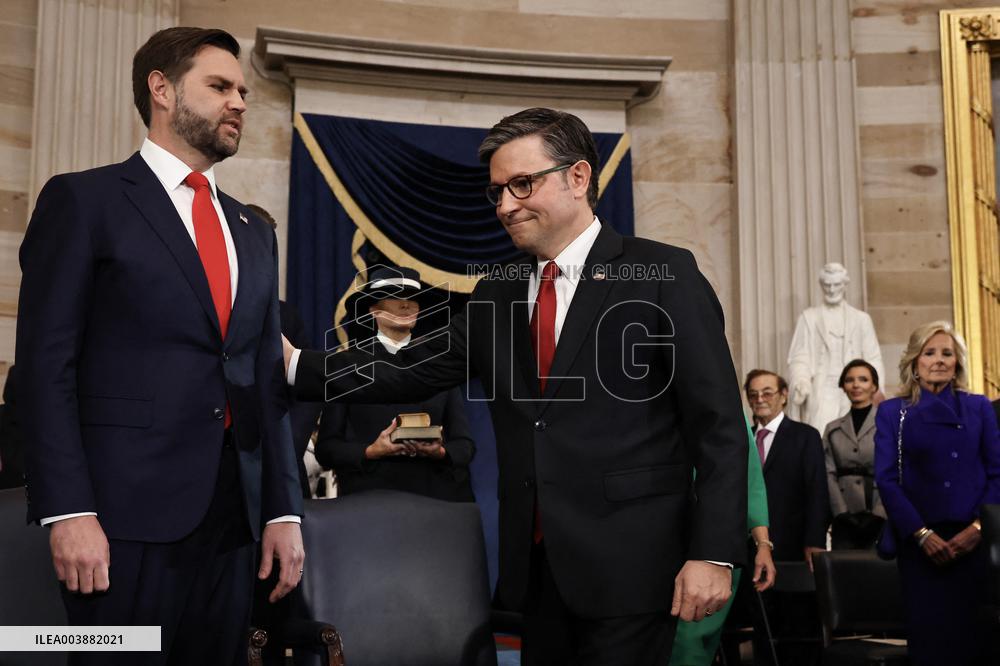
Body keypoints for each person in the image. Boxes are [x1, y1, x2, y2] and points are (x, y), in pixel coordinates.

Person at [286, 107, 748, 665]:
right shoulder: (498, 293)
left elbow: (718, 427)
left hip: (636, 568)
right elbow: (410, 368)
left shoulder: (662, 273)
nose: (505, 205)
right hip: (536, 572)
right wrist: (296, 366)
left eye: (522, 184)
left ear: (578, 178)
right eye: (498, 191)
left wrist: (715, 554)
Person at [16, 27, 304, 665]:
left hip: (234, 525)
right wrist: (68, 510)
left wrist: (284, 512)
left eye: (243, 91)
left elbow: (264, 380)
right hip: (118, 524)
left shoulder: (255, 231)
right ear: (162, 90)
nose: (239, 102)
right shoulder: (84, 200)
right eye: (220, 86)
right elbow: (45, 370)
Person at [874, 321, 1000, 665]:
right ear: (915, 361)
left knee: (973, 642)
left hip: (972, 542)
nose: (939, 360)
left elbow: (997, 473)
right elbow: (885, 478)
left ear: (958, 362)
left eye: (947, 353)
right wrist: (921, 533)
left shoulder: (979, 407)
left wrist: (977, 529)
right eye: (930, 353)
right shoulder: (892, 411)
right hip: (920, 545)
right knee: (931, 643)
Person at [315, 266, 476, 502]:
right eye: (394, 297)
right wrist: (371, 451)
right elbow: (327, 449)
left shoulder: (441, 364)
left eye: (413, 299)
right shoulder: (347, 365)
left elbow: (465, 446)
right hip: (369, 500)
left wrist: (440, 452)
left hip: (434, 501)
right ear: (373, 310)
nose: (406, 305)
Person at [670, 421, 775, 666]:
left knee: (690, 640)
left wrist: (763, 545)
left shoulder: (725, 413)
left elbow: (751, 484)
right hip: (657, 542)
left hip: (712, 546)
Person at [742, 369, 827, 666]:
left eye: (767, 392)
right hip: (750, 548)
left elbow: (817, 491)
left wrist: (814, 542)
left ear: (784, 395)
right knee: (762, 623)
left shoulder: (805, 436)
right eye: (753, 394)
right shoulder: (743, 439)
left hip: (793, 543)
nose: (759, 399)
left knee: (798, 621)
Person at [246, 203, 323, 499]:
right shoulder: (203, 309)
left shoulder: (286, 317)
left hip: (280, 471)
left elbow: (308, 390)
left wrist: (284, 448)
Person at [787, 262, 885, 432]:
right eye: (827, 285)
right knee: (820, 431)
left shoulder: (861, 319)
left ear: (845, 285)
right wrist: (800, 380)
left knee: (858, 431)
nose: (831, 290)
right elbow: (799, 356)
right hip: (823, 385)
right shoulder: (809, 318)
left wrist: (877, 389)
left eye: (836, 285)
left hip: (855, 385)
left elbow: (873, 357)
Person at [824, 359, 886, 549]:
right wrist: (841, 512)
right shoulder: (832, 429)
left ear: (874, 385)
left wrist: (879, 512)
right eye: (850, 380)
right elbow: (828, 472)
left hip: (880, 516)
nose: (856, 384)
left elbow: (895, 470)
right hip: (845, 519)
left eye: (863, 379)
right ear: (843, 386)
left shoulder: (887, 423)